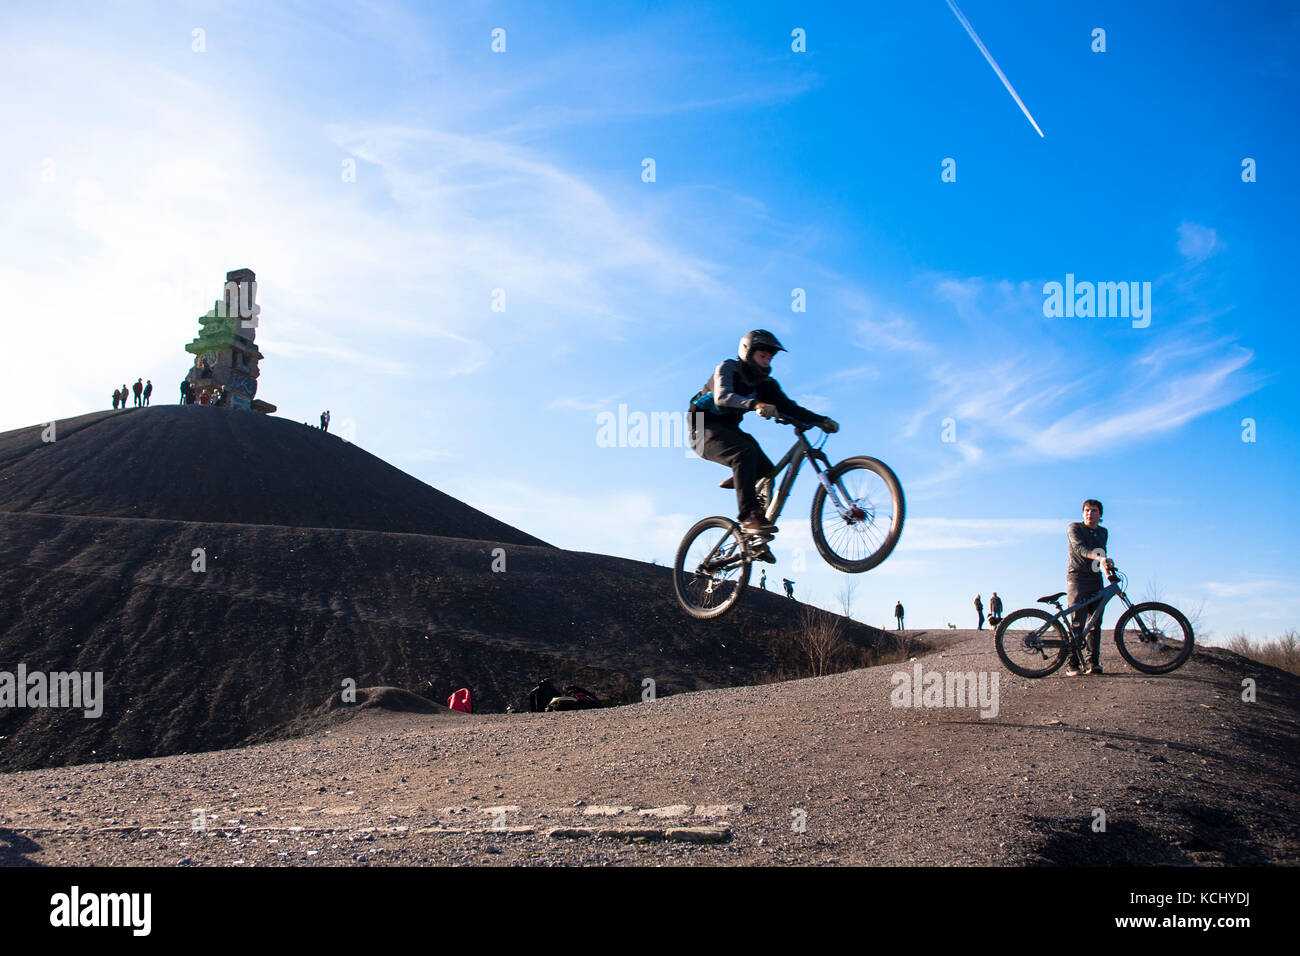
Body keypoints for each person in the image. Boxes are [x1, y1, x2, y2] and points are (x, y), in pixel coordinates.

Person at [688, 330, 838, 535]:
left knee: (767, 470)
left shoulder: (766, 385)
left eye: (769, 357)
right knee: (744, 453)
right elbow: (723, 398)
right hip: (701, 428)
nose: (766, 361)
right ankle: (749, 516)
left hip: (729, 430)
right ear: (747, 353)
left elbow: (790, 408)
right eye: (762, 356)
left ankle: (754, 537)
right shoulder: (728, 368)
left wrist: (821, 421)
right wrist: (755, 404)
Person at [1066, 499, 1111, 676]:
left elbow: (1101, 553)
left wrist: (1108, 572)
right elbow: (1081, 550)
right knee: (1077, 621)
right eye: (1086, 510)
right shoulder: (1074, 528)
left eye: (1093, 510)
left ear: (1100, 515)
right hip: (1077, 578)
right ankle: (1073, 664)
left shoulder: (1103, 532)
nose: (1089, 513)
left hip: (1095, 579)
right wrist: (1099, 559)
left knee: (1095, 622)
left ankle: (1093, 663)